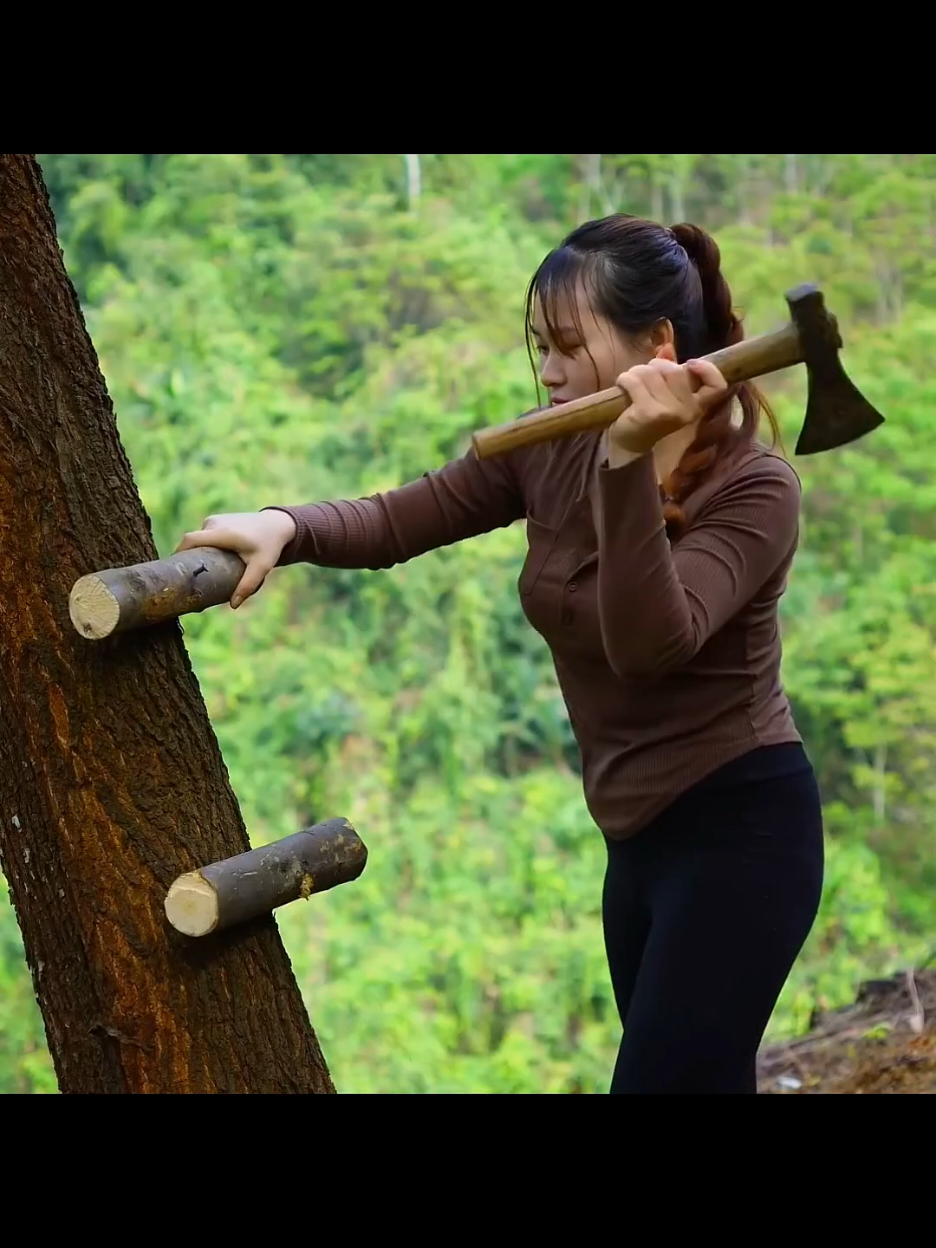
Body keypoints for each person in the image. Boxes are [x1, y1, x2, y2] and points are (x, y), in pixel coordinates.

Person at [176, 214, 824, 1094]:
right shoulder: (552, 448)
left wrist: (628, 458)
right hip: (636, 846)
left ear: (658, 346)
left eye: (567, 345)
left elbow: (649, 644)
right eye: (540, 347)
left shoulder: (754, 490)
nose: (548, 371)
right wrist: (286, 527)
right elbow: (404, 516)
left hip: (741, 834)